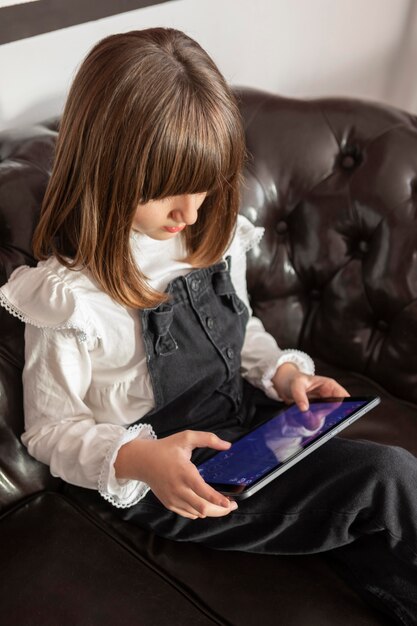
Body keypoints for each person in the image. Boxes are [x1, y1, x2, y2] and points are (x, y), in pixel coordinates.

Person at [0, 28, 416, 625]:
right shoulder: (70, 297)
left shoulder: (212, 240)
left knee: (374, 519)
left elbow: (241, 332)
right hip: (169, 485)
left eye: (203, 186)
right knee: (389, 476)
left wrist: (284, 373)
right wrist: (142, 460)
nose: (190, 212)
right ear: (106, 169)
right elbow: (51, 431)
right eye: (168, 193)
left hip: (245, 433)